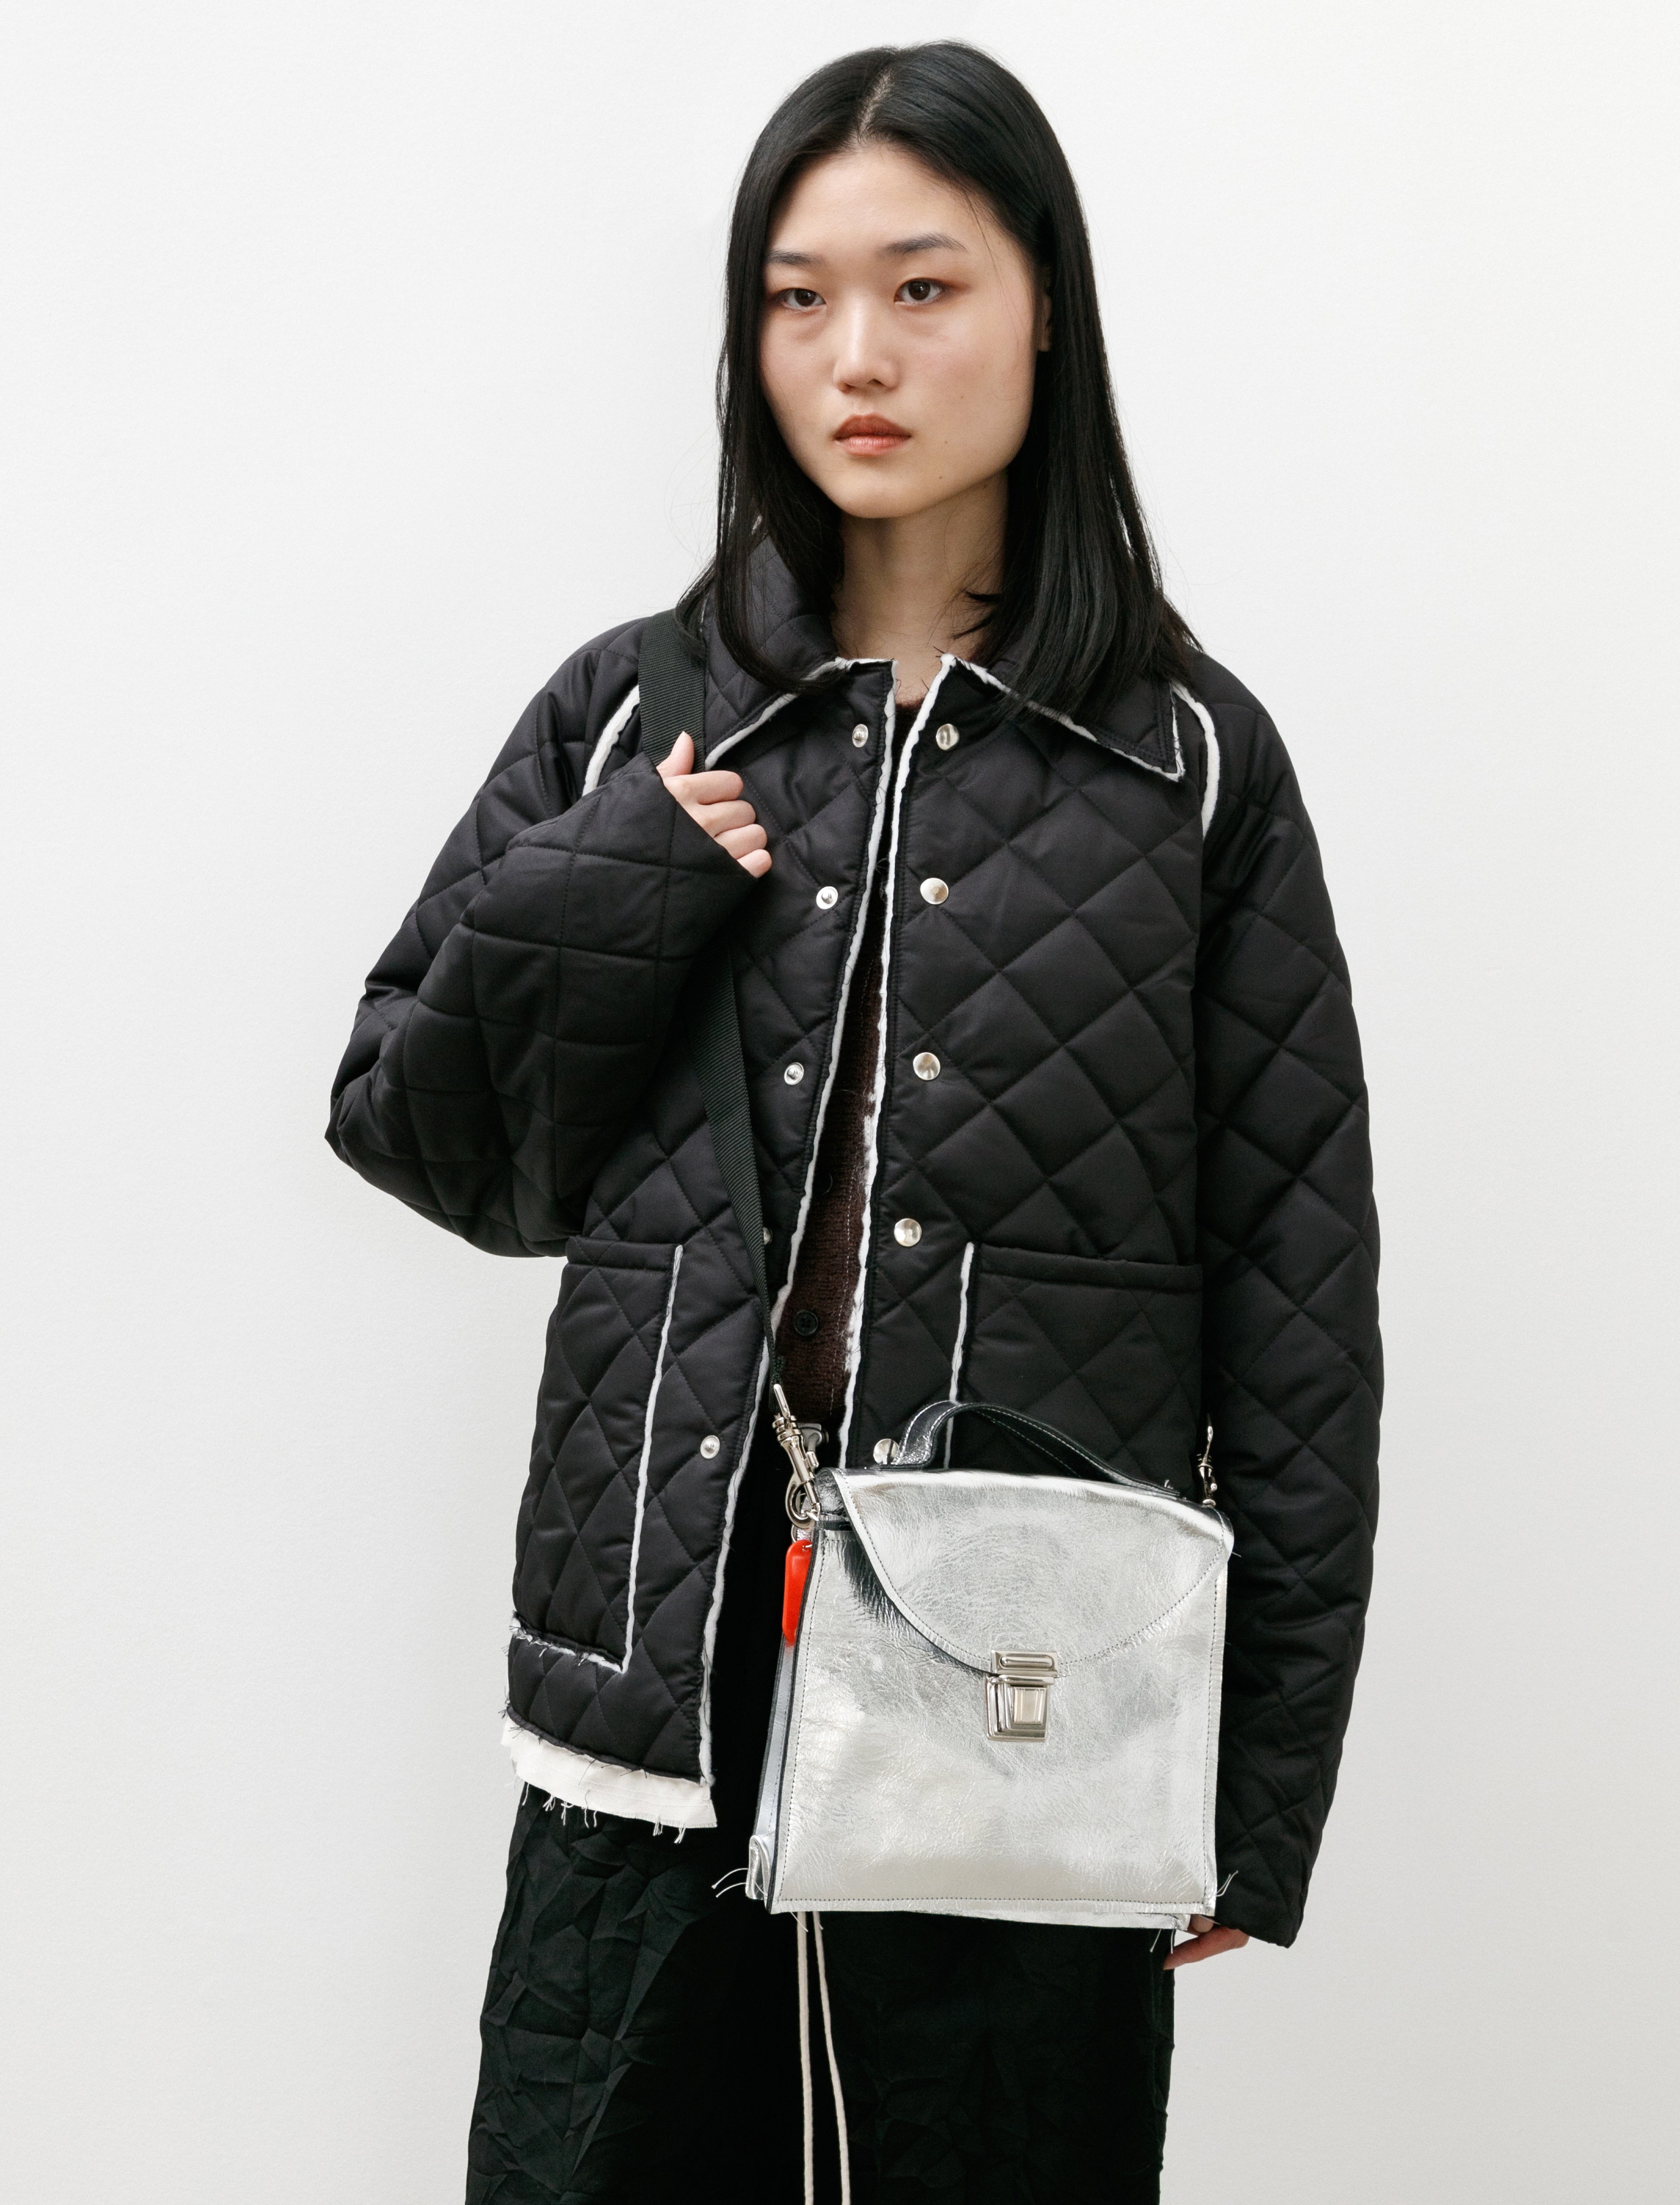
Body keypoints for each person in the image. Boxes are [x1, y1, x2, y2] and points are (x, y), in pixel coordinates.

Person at [328, 41, 1380, 2204]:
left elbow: (1299, 1309)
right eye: (797, 299)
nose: (855, 356)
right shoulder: (636, 710)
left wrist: (1256, 1784)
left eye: (923, 287)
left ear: (1043, 306)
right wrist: (619, 877)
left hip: (1024, 1685)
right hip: (662, 1683)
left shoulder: (1191, 766)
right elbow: (427, 1139)